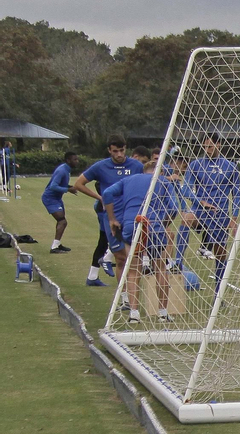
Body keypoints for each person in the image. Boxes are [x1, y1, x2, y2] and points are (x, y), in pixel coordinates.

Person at [103, 148, 183, 323]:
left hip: (132, 225)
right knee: (160, 268)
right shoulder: (163, 182)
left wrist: (111, 219)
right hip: (154, 225)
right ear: (159, 172)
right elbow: (174, 208)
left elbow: (107, 193)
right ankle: (162, 312)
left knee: (133, 270)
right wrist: (164, 223)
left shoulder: (128, 180)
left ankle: (134, 313)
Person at [74, 135, 143, 286]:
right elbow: (79, 184)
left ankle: (131, 297)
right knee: (120, 258)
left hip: (132, 215)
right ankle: (123, 296)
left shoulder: (136, 166)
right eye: (115, 151)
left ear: (126, 149)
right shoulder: (101, 166)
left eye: (122, 150)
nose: (119, 154)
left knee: (134, 257)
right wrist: (100, 198)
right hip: (112, 217)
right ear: (109, 151)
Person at [183, 132, 240, 282]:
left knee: (221, 255)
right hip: (200, 211)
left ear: (218, 144)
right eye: (205, 146)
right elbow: (186, 190)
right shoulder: (195, 165)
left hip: (220, 215)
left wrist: (234, 218)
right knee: (186, 219)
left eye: (210, 145)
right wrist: (201, 202)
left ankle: (218, 294)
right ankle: (177, 261)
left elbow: (237, 195)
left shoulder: (230, 167)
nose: (207, 149)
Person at [41, 152, 84, 253]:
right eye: (75, 159)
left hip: (57, 198)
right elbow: (53, 186)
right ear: (68, 160)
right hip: (50, 198)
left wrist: (69, 187)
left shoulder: (66, 169)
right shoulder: (62, 170)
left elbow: (60, 184)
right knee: (62, 221)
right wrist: (69, 190)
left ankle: (57, 244)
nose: (77, 161)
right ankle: (54, 247)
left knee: (61, 221)